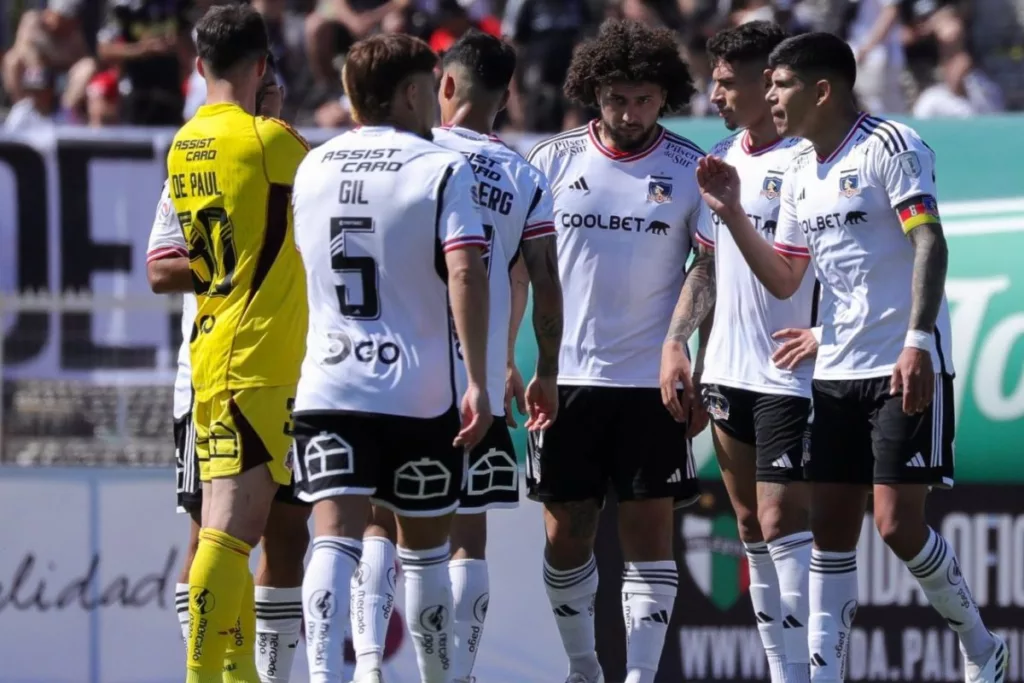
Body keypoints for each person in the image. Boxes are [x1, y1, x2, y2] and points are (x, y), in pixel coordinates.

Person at [697, 31, 1007, 683]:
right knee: (830, 538)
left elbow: (930, 245)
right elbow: (786, 277)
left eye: (779, 86)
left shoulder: (892, 147)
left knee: (896, 525)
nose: (770, 97)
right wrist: (730, 212)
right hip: (834, 374)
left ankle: (982, 646)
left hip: (903, 366)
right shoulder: (800, 173)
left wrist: (919, 341)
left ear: (821, 90)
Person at [344, 31, 564, 683]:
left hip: (403, 368)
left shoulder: (413, 153)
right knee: (467, 535)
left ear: (443, 85)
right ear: (505, 97)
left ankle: (366, 667)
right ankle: (455, 670)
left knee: (384, 523)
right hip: (481, 379)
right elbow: (535, 278)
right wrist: (515, 359)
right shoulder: (524, 174)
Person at [289, 33, 492, 683]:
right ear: (410, 92)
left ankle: (324, 676)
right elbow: (465, 270)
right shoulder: (439, 167)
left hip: (330, 380)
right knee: (425, 550)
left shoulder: (313, 164)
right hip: (417, 386)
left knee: (334, 536)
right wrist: (480, 381)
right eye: (430, 87)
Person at [525, 18, 707, 683]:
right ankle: (583, 667)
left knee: (648, 535)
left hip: (651, 383)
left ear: (666, 96)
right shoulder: (549, 160)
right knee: (565, 532)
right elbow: (524, 268)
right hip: (567, 377)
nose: (628, 113)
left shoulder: (690, 167)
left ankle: (639, 675)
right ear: (592, 92)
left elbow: (707, 267)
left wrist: (680, 346)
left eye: (642, 99)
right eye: (616, 99)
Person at [662, 21, 817, 683]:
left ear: (767, 83)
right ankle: (784, 671)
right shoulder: (724, 155)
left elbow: (804, 273)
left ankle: (814, 668)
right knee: (750, 521)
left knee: (782, 520)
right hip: (727, 368)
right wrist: (677, 342)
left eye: (727, 82)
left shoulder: (811, 161)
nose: (714, 92)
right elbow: (705, 266)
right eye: (714, 78)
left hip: (791, 370)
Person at [147, 53, 309, 683]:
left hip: (290, 373)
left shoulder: (291, 168)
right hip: (214, 376)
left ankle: (263, 676)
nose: (270, 105)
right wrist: (234, 256)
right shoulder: (193, 168)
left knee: (288, 539)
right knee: (212, 536)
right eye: (266, 94)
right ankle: (213, 673)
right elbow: (161, 266)